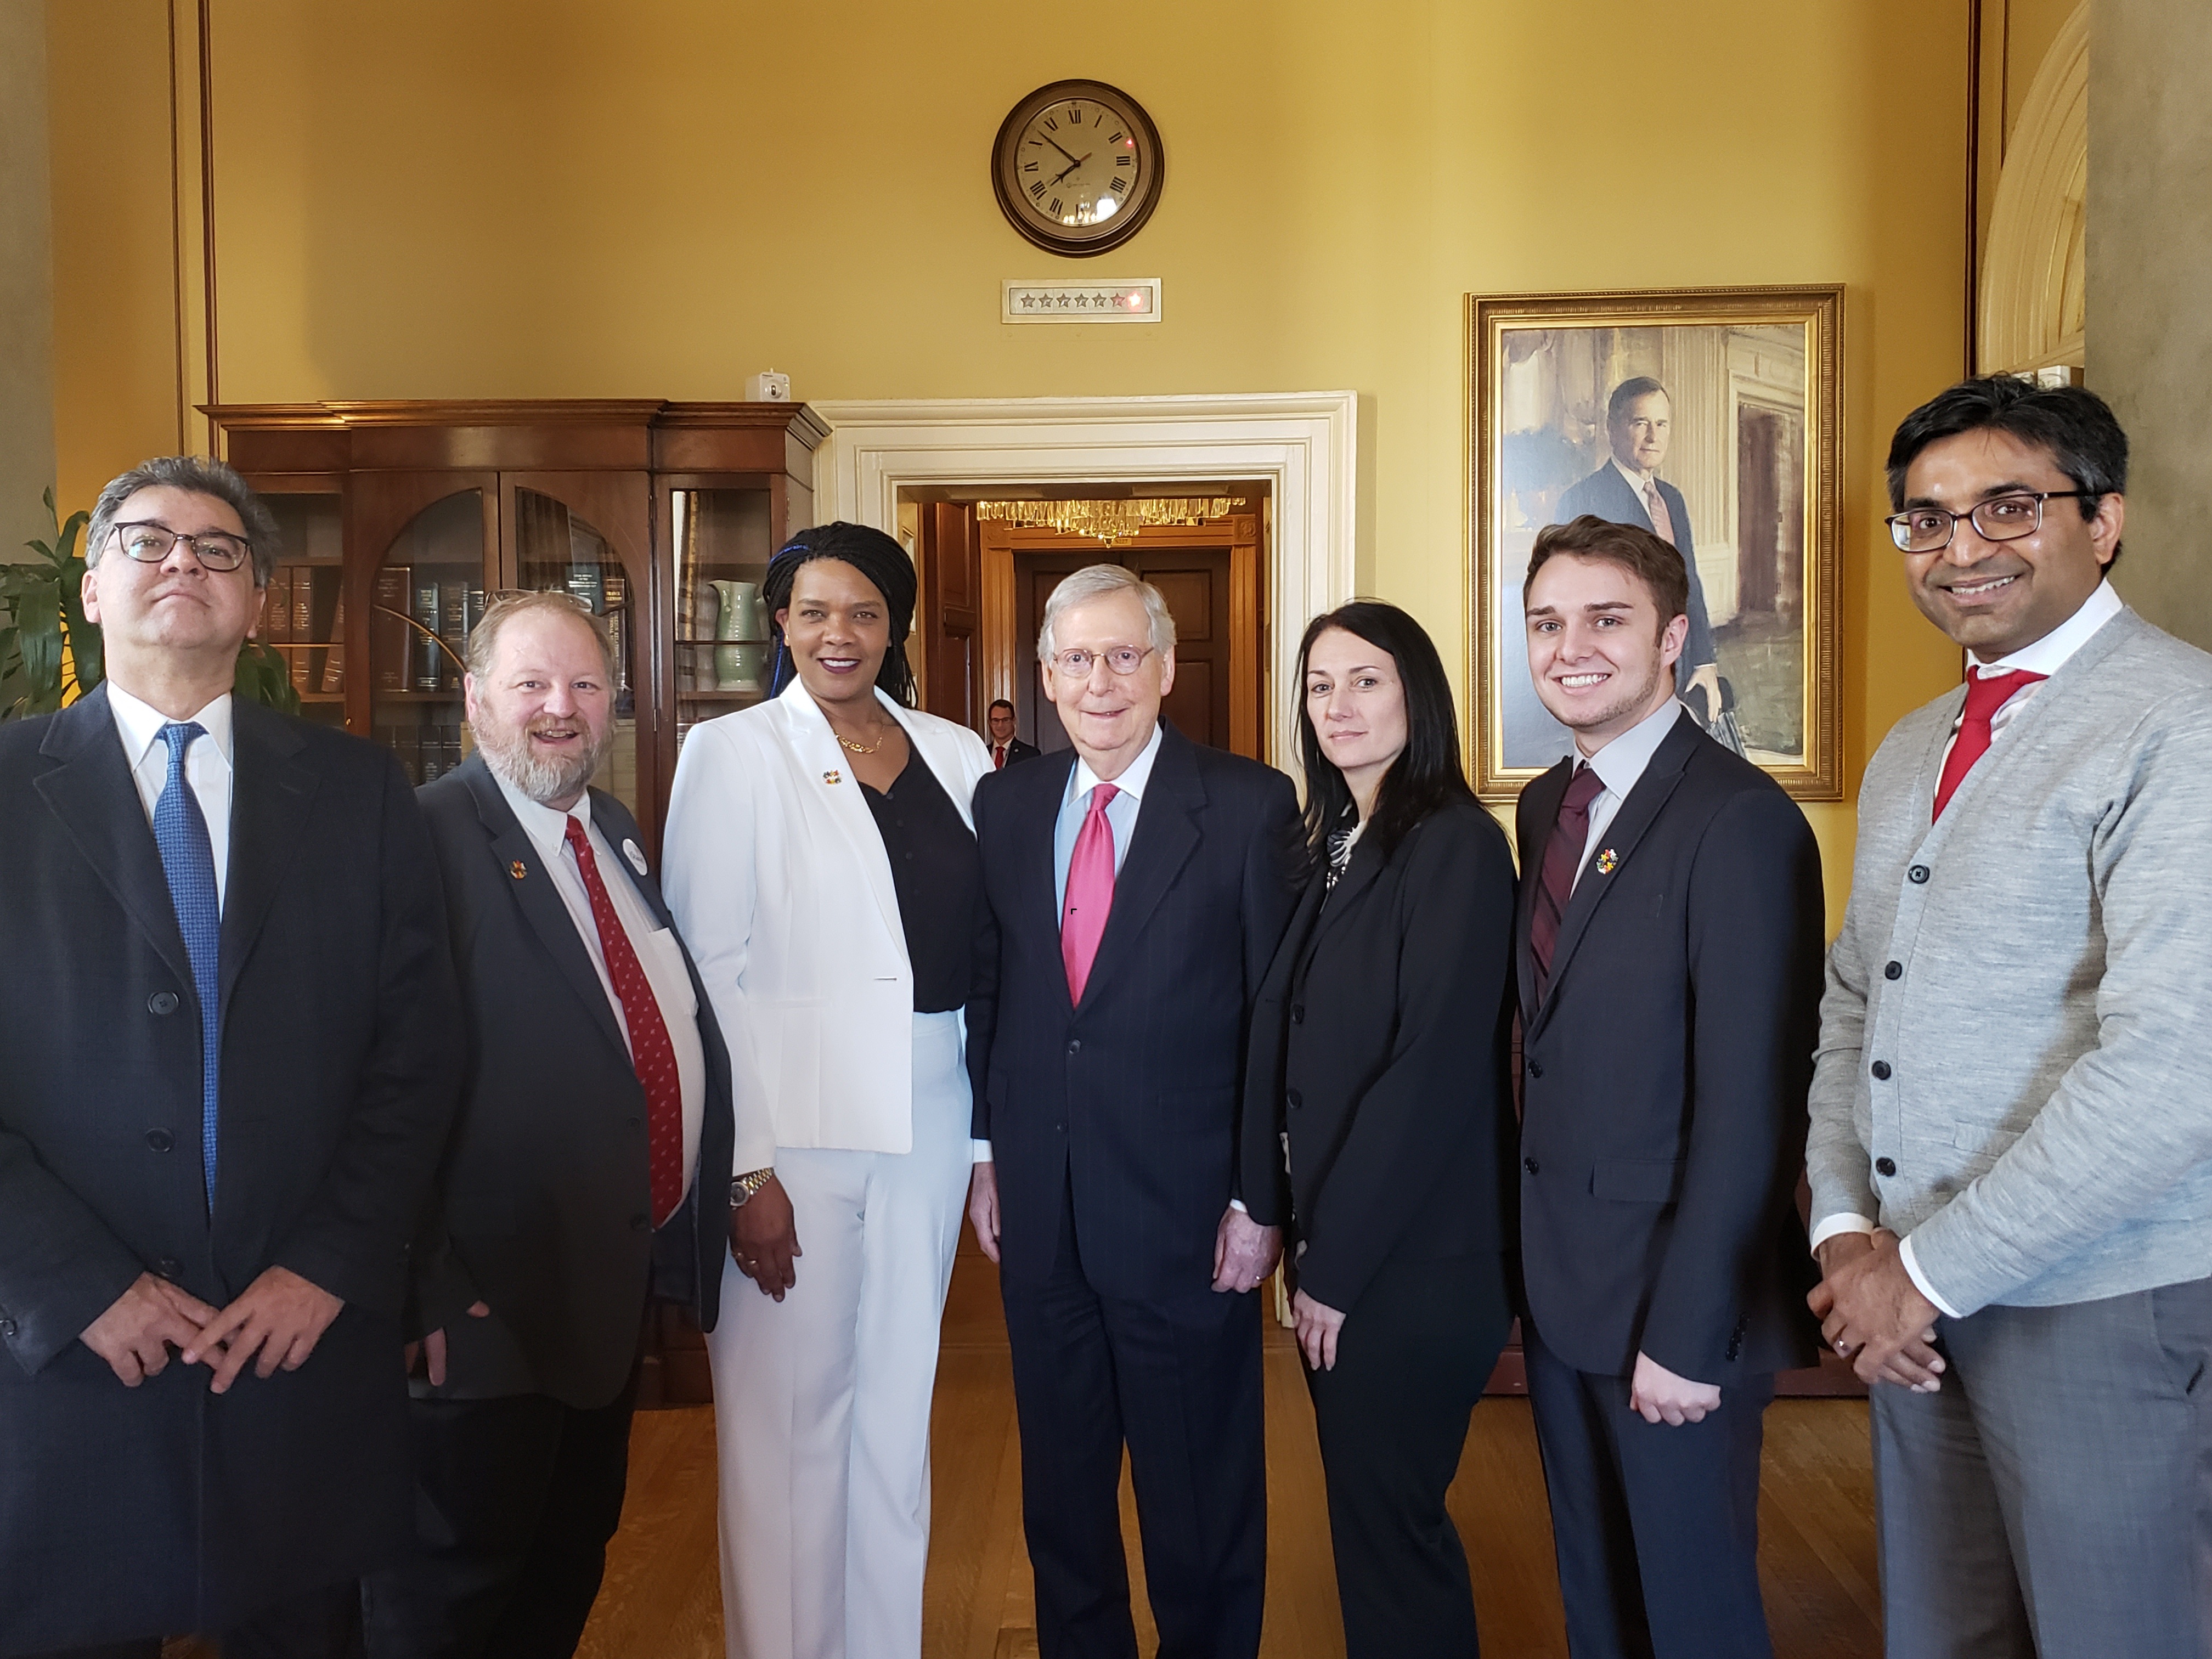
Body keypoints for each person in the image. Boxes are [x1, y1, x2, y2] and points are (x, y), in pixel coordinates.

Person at [0, 456, 462, 1657]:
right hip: (69, 1359)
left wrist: (329, 1263)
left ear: (258, 601)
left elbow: (418, 1057)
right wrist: (74, 1284)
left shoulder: (360, 791)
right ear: (91, 587)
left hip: (294, 1347)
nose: (183, 563)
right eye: (147, 540)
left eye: (219, 549)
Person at [1807, 378, 2212, 1658]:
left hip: (2101, 1307)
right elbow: (1855, 999)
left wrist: (1918, 1277)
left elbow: (2174, 1071)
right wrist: (1844, 1236)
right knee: (1946, 1634)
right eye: (1926, 520)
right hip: (1912, 1307)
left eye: (2007, 507)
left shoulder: (2183, 725)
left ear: (2104, 521)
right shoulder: (1913, 745)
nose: (1960, 547)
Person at [362, 592, 736, 1658]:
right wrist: (428, 1286)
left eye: (583, 684)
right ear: (475, 698)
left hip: (599, 1297)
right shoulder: (421, 839)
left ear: (615, 702)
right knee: (451, 1603)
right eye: (530, 684)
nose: (558, 708)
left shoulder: (610, 830)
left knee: (561, 1568)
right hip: (482, 1314)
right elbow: (366, 1086)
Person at [663, 522, 992, 1659]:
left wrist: (985, 1145)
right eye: (812, 611)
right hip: (790, 1134)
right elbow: (709, 974)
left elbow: (989, 952)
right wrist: (743, 1168)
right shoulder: (733, 752)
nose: (837, 633)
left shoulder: (957, 753)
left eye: (862, 611)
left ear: (896, 626)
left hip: (930, 1115)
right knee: (788, 1433)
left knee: (895, 1420)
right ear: (780, 623)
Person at [965, 563, 1302, 1659]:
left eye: (1122, 656)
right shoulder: (1006, 803)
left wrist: (1259, 1198)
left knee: (1198, 1499)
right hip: (1042, 1212)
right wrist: (986, 1153)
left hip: (1188, 1221)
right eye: (1076, 659)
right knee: (1062, 1498)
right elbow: (997, 988)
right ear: (1046, 677)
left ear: (1163, 670)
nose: (1099, 682)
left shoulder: (1248, 806)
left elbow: (1274, 1018)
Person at [1514, 515, 1824, 1659]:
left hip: (1674, 1304)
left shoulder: (1741, 820)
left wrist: (1691, 1334)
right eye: (1546, 622)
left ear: (1672, 637)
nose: (1570, 647)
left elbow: (1754, 1107)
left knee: (1693, 1614)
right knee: (1599, 1604)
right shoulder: (1549, 806)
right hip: (1565, 1286)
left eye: (1606, 619)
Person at [1240, 602, 1518, 1657]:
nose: (1338, 704)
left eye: (1366, 680)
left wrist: (1335, 1267)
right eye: (1320, 685)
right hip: (1353, 1245)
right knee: (1373, 1525)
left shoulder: (1454, 844)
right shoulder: (1335, 843)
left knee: (1392, 1534)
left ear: (1418, 696)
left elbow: (1429, 1072)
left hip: (1412, 1261)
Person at [1557, 376, 1726, 727]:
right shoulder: (1582, 500)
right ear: (1612, 428)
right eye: (1640, 423)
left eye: (1661, 424)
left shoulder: (1672, 499)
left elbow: (1689, 580)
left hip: (1681, 669)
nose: (1653, 436)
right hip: (1620, 678)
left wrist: (1705, 662)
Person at [986, 697, 1040, 768]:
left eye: (1005, 720)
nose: (1000, 725)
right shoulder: (983, 753)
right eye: (996, 720)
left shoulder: (1030, 755)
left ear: (1014, 721)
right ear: (990, 723)